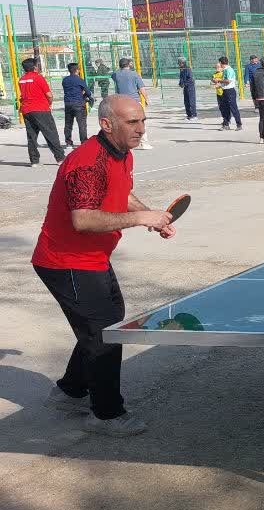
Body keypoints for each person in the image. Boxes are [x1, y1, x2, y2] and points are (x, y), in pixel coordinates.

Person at [33, 94, 175, 437]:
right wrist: (141, 218)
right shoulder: (87, 163)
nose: (141, 129)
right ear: (106, 124)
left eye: (143, 121)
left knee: (107, 323)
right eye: (132, 122)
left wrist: (150, 216)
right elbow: (83, 219)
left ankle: (70, 392)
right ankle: (106, 414)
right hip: (65, 261)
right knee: (104, 335)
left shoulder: (122, 152)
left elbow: (121, 192)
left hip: (92, 258)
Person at [18, 58, 66, 166]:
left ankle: (34, 161)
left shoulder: (21, 80)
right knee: (51, 133)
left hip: (27, 110)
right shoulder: (38, 78)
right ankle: (60, 158)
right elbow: (49, 95)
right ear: (34, 67)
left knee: (31, 136)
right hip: (41, 109)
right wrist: (49, 103)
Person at [110, 59, 154, 149]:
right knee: (140, 122)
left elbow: (113, 76)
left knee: (124, 123)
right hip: (134, 101)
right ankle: (144, 143)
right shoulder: (134, 74)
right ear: (129, 65)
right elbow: (142, 89)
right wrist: (146, 99)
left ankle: (122, 142)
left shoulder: (116, 74)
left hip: (122, 101)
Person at [61, 62, 93, 149]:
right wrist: (85, 96)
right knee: (82, 124)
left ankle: (68, 142)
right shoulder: (79, 80)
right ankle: (83, 142)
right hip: (78, 103)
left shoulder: (65, 80)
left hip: (68, 103)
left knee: (68, 124)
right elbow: (88, 92)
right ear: (77, 70)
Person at [212, 57, 243, 131]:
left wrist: (219, 80)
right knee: (225, 108)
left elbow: (228, 81)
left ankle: (239, 124)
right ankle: (226, 124)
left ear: (221, 63)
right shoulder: (225, 70)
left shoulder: (229, 70)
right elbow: (224, 82)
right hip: (225, 91)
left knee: (233, 108)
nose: (219, 65)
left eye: (219, 63)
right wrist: (219, 84)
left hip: (230, 91)